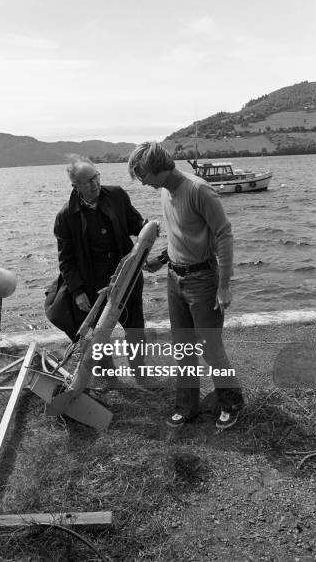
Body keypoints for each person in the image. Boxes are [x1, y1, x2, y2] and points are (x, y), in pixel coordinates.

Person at [128, 142, 244, 429]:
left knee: (210, 347)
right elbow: (182, 235)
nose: (142, 182)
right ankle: (187, 406)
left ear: (158, 168)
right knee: (183, 348)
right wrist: (161, 259)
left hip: (203, 280)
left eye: (143, 175)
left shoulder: (197, 189)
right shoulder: (166, 192)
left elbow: (224, 234)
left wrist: (224, 285)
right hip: (174, 278)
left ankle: (231, 402)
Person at [45, 158, 146, 376]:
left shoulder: (117, 195)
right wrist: (78, 292)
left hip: (126, 278)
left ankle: (140, 372)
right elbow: (66, 260)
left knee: (135, 327)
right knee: (98, 334)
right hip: (93, 284)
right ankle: (107, 375)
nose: (95, 184)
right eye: (88, 181)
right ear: (76, 186)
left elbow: (135, 224)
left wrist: (147, 230)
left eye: (96, 176)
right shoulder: (65, 217)